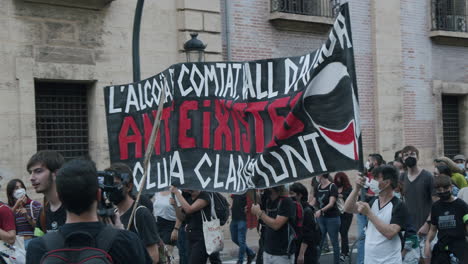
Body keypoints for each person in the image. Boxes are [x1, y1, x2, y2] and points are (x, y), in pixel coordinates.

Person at [26, 159, 151, 264]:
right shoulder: (126, 242)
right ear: (98, 194)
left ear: (59, 196)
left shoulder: (38, 248)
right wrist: (122, 233)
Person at [344, 165, 408, 264]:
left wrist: (369, 213)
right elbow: (348, 208)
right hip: (370, 260)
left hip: (390, 261)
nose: (372, 181)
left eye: (376, 178)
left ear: (387, 182)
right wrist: (356, 189)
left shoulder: (399, 206)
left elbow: (390, 233)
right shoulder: (373, 201)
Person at [105, 163, 160, 264]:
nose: (110, 189)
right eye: (109, 184)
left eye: (115, 184)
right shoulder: (113, 215)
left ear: (129, 186)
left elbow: (153, 257)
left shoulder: (141, 214)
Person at [399, 146, 435, 263]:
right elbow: (401, 201)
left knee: (426, 260)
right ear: (403, 159)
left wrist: (427, 224)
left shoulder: (428, 176)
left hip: (427, 229)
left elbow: (436, 204)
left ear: (418, 157)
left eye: (412, 154)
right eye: (406, 155)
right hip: (410, 230)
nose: (409, 156)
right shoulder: (402, 177)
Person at [170, 187, 222, 264]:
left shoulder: (204, 195)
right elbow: (182, 217)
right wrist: (175, 206)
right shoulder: (188, 197)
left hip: (203, 237)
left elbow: (189, 209)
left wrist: (177, 193)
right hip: (191, 236)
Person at [424, 175, 468, 263]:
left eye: (445, 188)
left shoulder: (461, 205)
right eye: (439, 190)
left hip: (460, 249)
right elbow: (433, 229)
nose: (443, 191)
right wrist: (427, 243)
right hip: (442, 249)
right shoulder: (435, 207)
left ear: (451, 187)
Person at [251, 185, 296, 264]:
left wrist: (259, 213)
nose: (263, 189)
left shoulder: (286, 201)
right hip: (268, 251)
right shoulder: (268, 200)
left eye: (266, 187)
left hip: (282, 254)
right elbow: (256, 199)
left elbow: (276, 225)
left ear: (274, 187)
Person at [27, 150, 66, 235]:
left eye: (38, 171)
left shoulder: (74, 208)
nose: (31, 178)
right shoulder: (43, 213)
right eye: (30, 172)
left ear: (56, 173)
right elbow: (38, 242)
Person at [313, 173, 340, 264]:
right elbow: (315, 200)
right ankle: (315, 261)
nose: (316, 176)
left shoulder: (332, 186)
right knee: (319, 241)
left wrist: (321, 211)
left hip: (332, 218)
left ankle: (336, 262)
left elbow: (331, 203)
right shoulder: (318, 186)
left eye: (317, 174)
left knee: (334, 242)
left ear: (321, 175)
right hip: (321, 218)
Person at [6, 179, 42, 248]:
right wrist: (16, 205)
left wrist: (27, 216)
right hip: (16, 245)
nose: (20, 190)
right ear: (11, 192)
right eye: (16, 188)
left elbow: (40, 227)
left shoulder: (35, 205)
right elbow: (5, 222)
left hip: (31, 242)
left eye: (21, 187)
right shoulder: (8, 208)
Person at [289, 182, 319, 264]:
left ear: (300, 195)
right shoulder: (295, 208)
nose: (290, 196)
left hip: (307, 251)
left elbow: (308, 235)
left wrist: (301, 254)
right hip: (296, 248)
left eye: (292, 194)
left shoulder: (307, 211)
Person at [153, 190, 181, 259]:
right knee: (158, 254)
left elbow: (180, 213)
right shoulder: (157, 191)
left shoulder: (176, 192)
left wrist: (176, 229)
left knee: (166, 255)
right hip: (157, 224)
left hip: (170, 225)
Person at [230, 193, 256, 264]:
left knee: (241, 241)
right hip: (234, 219)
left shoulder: (247, 191)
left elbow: (254, 201)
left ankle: (240, 261)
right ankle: (250, 252)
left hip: (243, 219)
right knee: (234, 239)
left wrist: (249, 207)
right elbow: (232, 199)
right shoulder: (236, 190)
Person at [334, 172, 353, 262]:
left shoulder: (348, 188)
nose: (338, 181)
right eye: (337, 179)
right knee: (341, 232)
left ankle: (344, 252)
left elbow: (351, 198)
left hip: (347, 213)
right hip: (337, 213)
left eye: (340, 179)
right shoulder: (335, 187)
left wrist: (341, 195)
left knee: (343, 232)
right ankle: (346, 251)